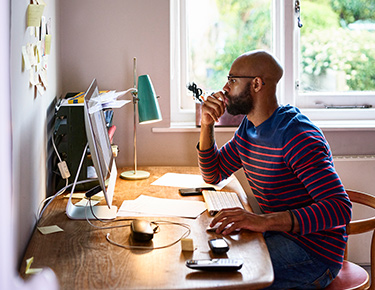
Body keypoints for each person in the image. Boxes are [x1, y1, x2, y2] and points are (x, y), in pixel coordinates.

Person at [197, 50, 352, 289]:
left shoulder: (296, 135)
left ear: (257, 84)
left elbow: (340, 209)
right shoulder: (250, 127)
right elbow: (213, 173)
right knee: (210, 259)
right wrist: (207, 124)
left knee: (223, 276)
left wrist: (262, 221)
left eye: (232, 80)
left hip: (314, 254)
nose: (225, 88)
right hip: (280, 236)